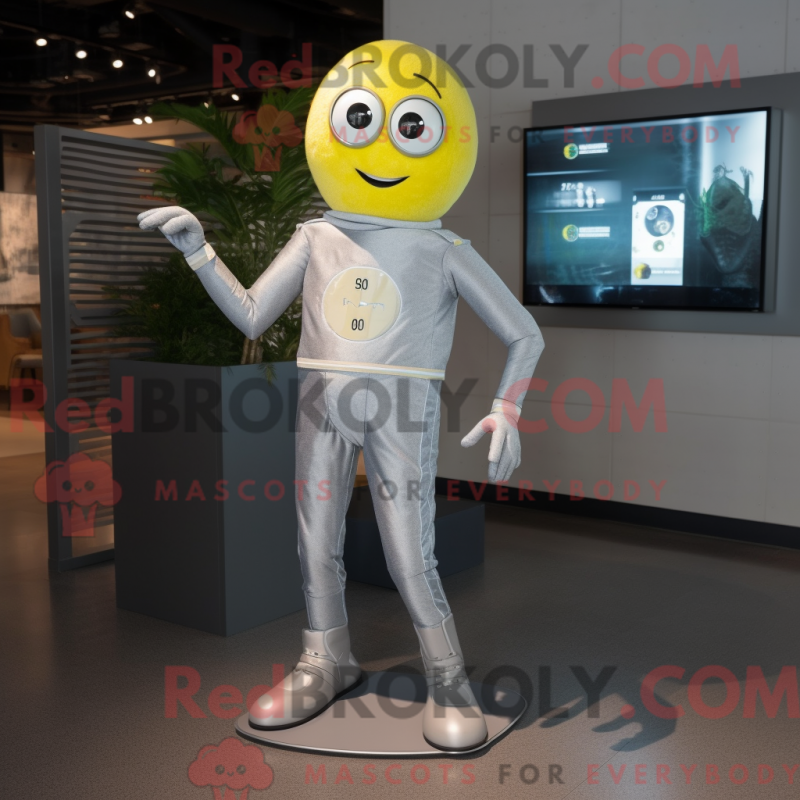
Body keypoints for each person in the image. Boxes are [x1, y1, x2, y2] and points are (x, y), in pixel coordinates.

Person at [138, 39, 544, 752]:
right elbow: (253, 315)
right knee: (313, 538)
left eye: (411, 126)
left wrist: (507, 406)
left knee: (408, 549)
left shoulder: (443, 250)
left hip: (403, 408)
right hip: (320, 397)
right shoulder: (316, 236)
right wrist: (200, 251)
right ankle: (325, 658)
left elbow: (524, 334)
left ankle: (447, 677)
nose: (383, 144)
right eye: (362, 119)